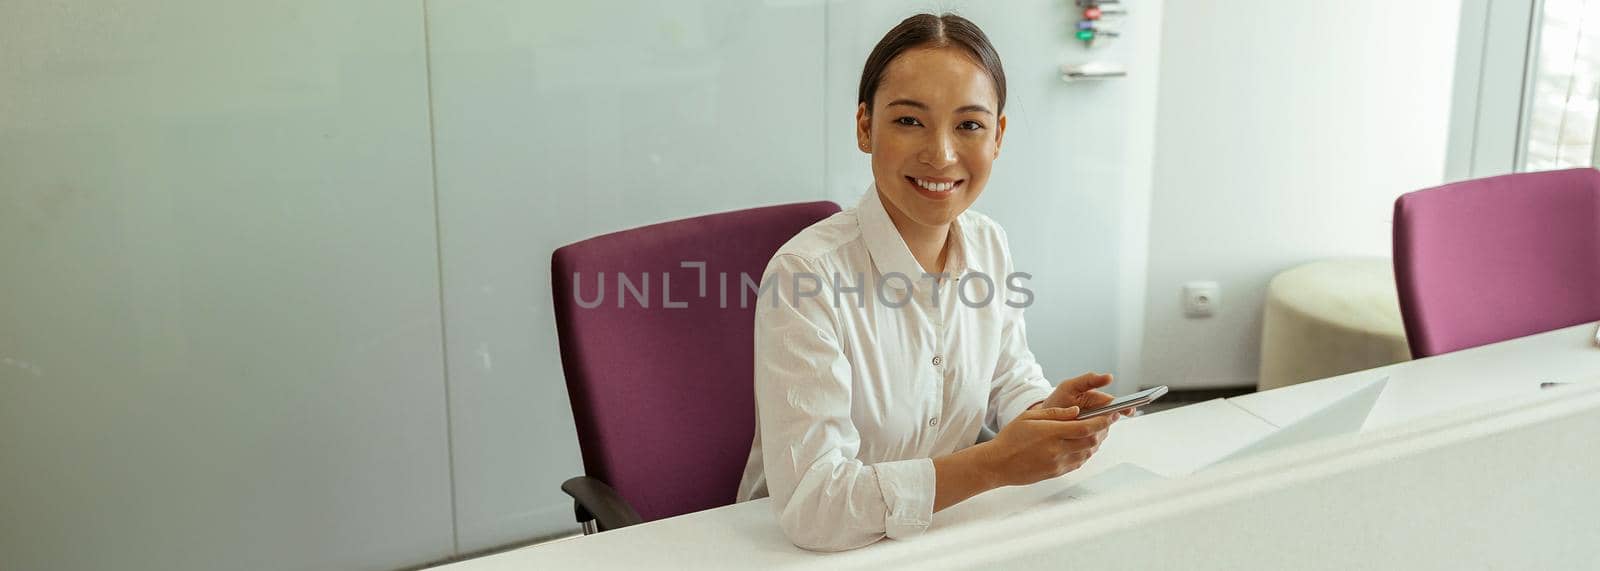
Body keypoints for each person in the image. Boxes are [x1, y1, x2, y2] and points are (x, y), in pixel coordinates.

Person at [735, 13, 1132, 552]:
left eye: (969, 125)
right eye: (909, 121)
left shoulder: (988, 244)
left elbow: (1006, 377)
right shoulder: (806, 276)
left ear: (998, 136)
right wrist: (996, 464)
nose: (941, 154)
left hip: (945, 537)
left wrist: (1047, 417)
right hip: (798, 552)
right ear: (864, 127)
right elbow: (816, 506)